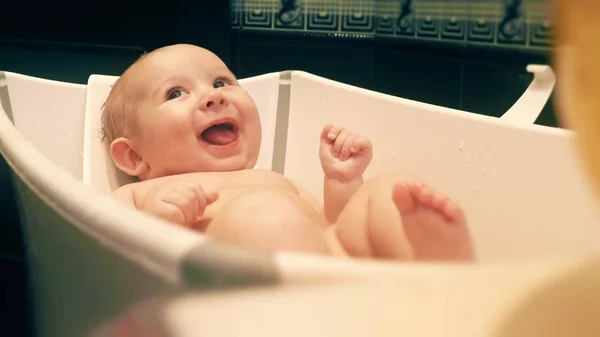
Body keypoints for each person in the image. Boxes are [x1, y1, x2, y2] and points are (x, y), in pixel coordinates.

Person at [100, 43, 474, 262]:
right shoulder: (137, 195)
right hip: (235, 290)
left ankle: (442, 283)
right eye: (175, 93)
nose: (213, 96)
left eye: (221, 82)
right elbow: (106, 256)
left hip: (329, 263)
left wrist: (343, 182)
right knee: (264, 213)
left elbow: (331, 226)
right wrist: (156, 223)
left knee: (388, 193)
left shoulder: (276, 181)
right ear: (134, 158)